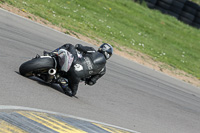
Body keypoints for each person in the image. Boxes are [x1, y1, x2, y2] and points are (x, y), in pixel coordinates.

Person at [45, 43, 113, 97]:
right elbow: (91, 82)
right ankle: (63, 82)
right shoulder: (103, 70)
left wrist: (79, 47)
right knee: (72, 93)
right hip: (76, 76)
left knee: (69, 45)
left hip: (72, 62)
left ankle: (50, 54)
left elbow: (78, 46)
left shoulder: (92, 50)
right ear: (108, 55)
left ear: (100, 48)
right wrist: (87, 78)